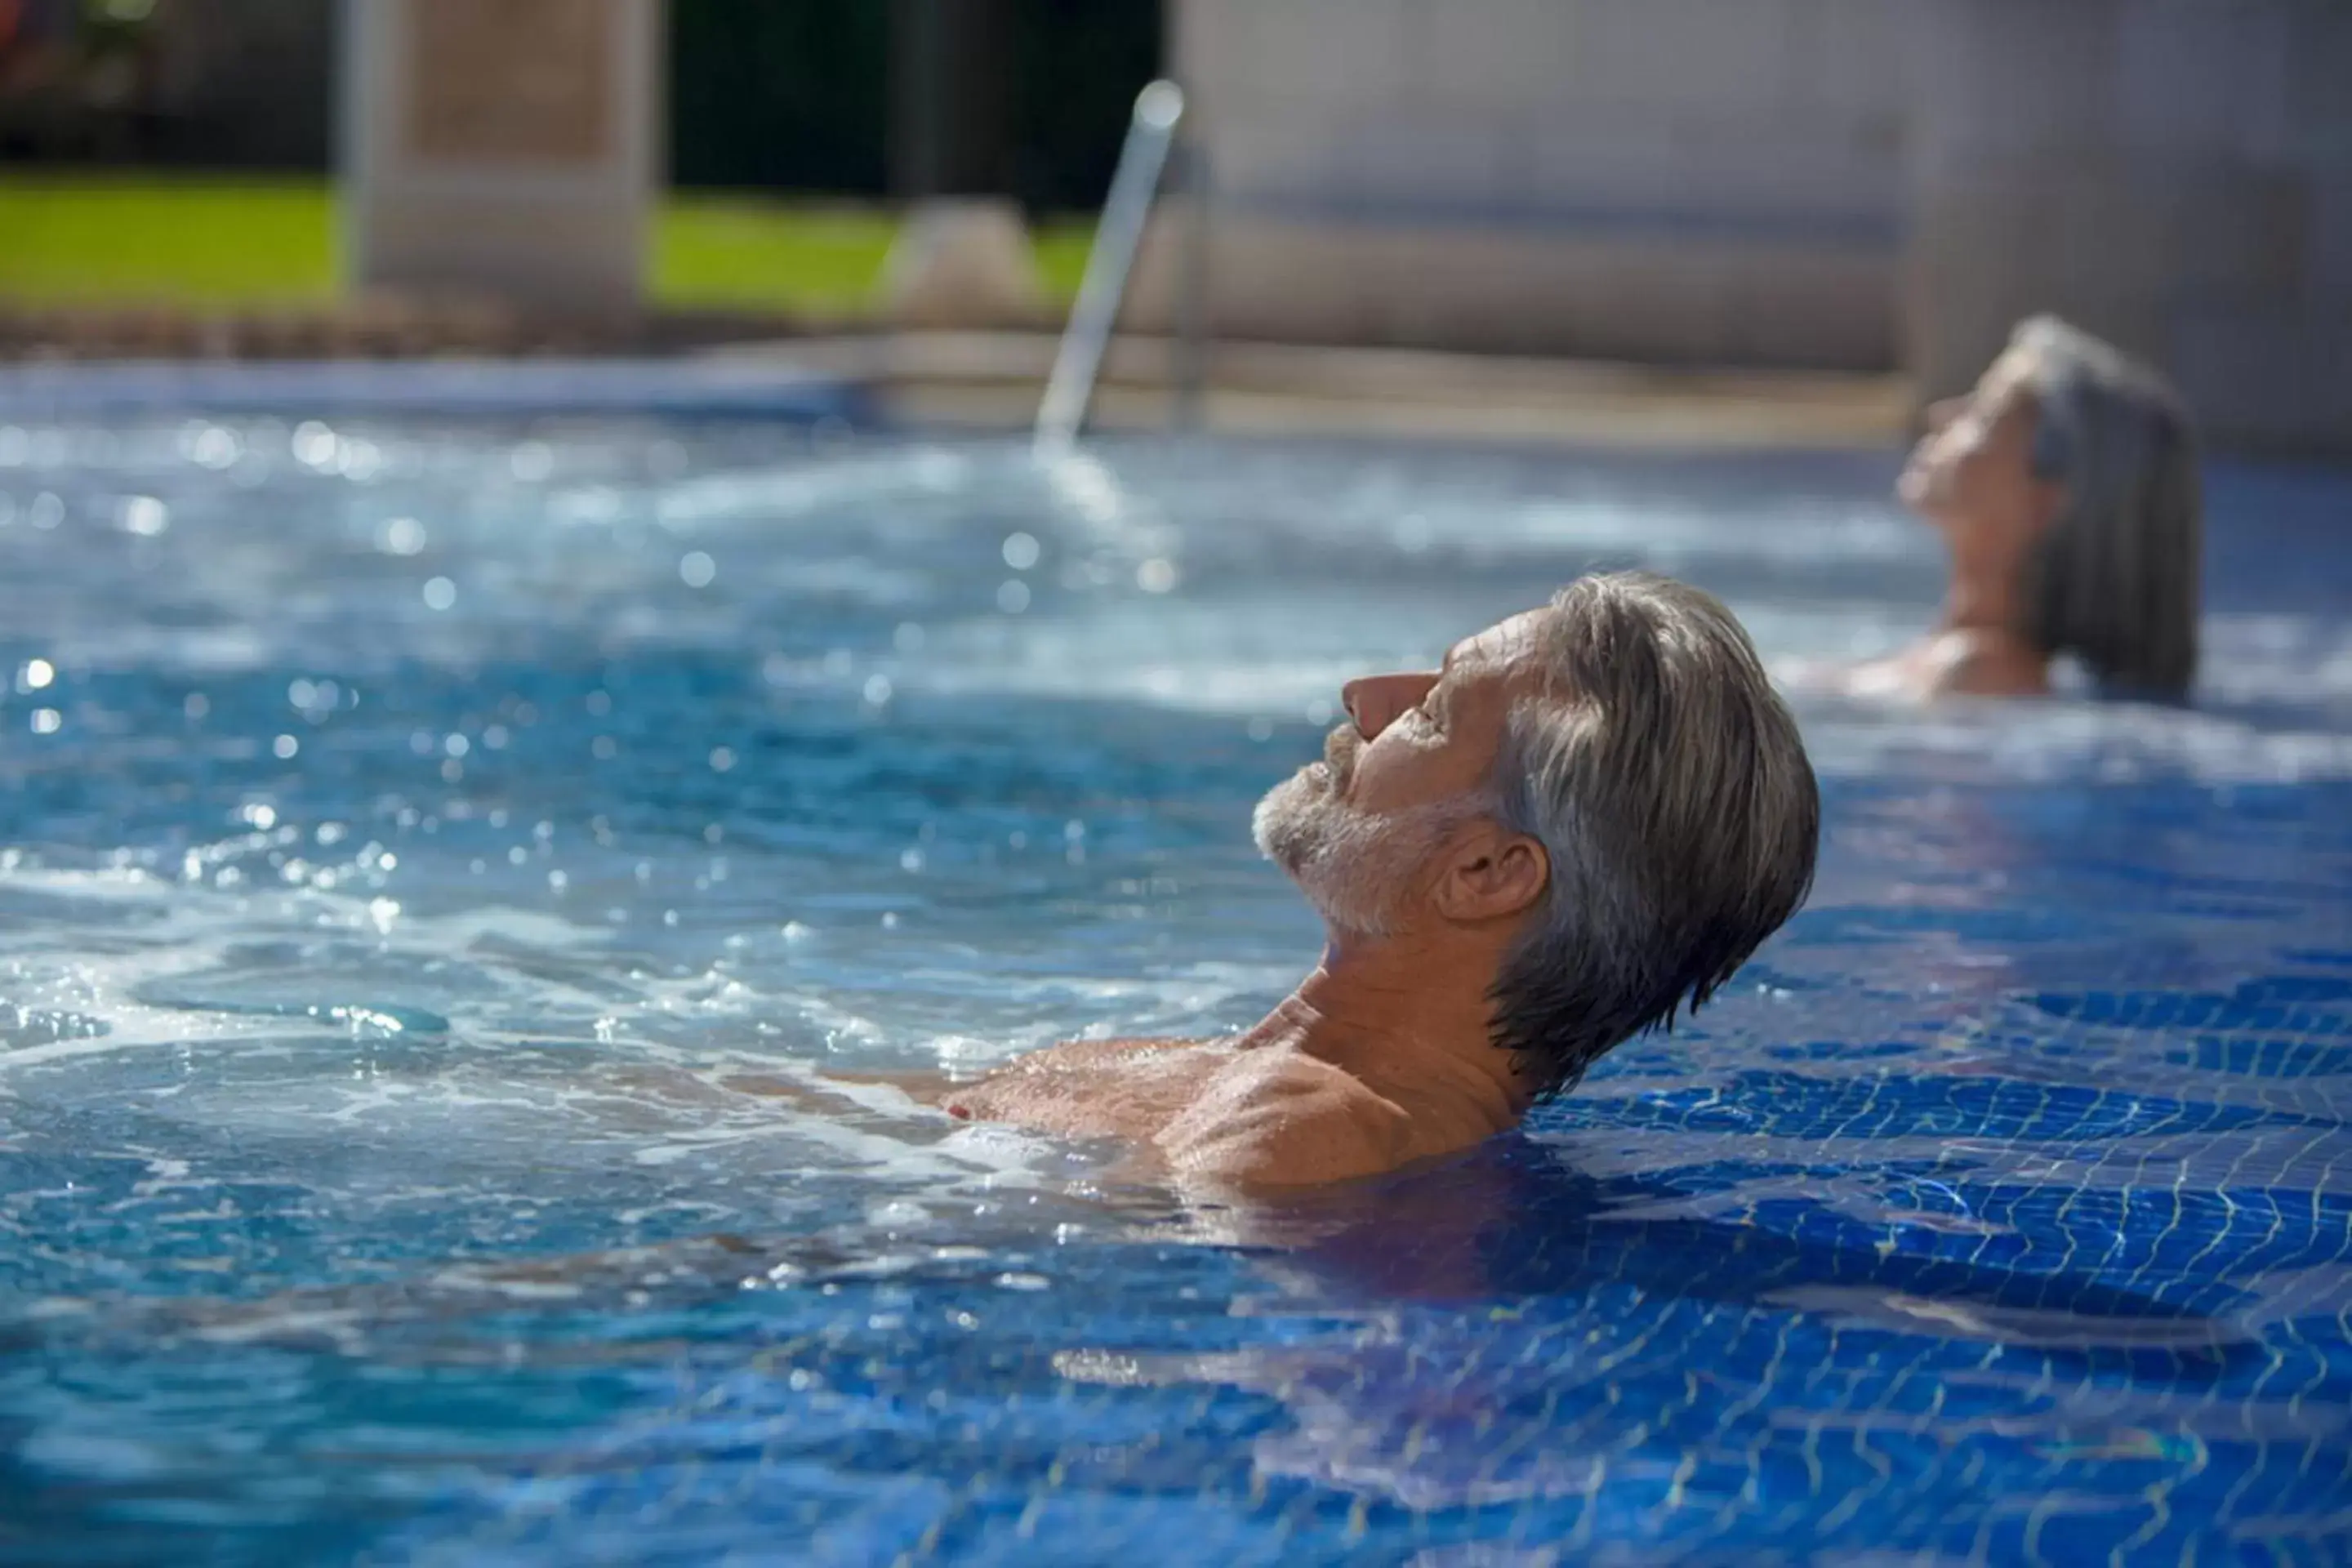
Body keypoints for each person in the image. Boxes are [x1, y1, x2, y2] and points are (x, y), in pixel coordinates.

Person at [943, 571, 1820, 1191]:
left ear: (1483, 874)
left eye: (1434, 712)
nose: (1364, 698)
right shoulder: (1231, 1082)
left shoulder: (1310, 1135)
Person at [1854, 316, 2202, 701]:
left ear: (2047, 500)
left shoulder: (1981, 674)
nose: (1941, 414)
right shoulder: (1954, 658)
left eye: (1982, 414)